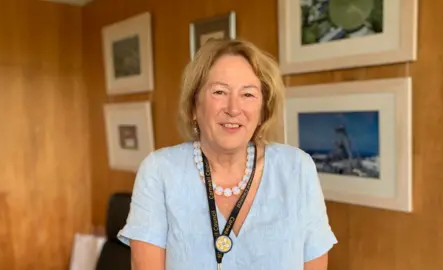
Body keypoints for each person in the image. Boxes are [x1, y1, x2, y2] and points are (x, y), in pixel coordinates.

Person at [117, 38, 338, 270]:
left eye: (248, 94)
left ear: (263, 110)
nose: (233, 109)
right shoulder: (159, 171)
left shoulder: (297, 168)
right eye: (220, 92)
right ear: (194, 105)